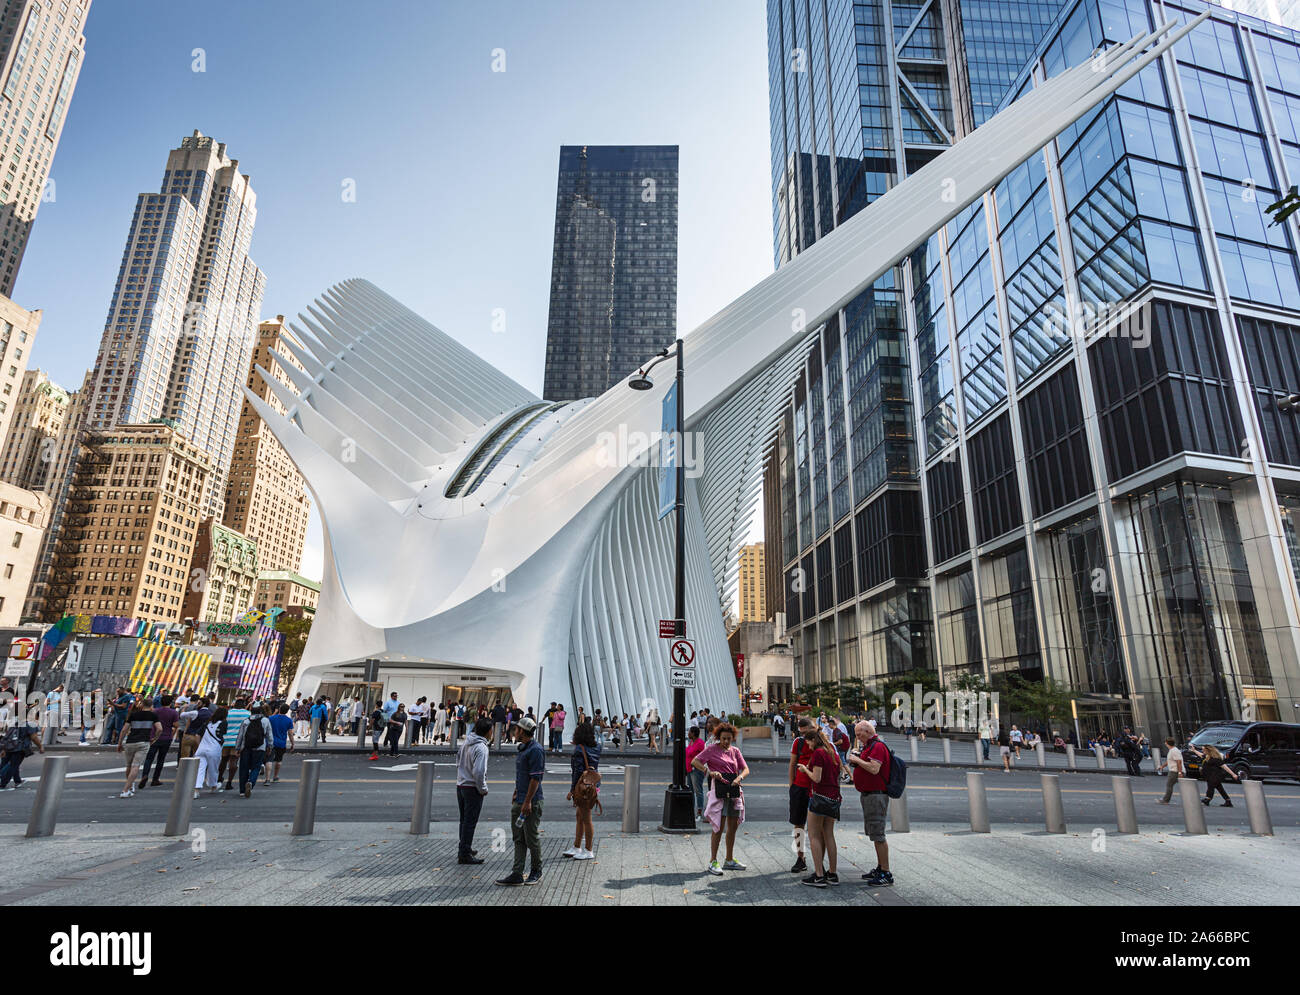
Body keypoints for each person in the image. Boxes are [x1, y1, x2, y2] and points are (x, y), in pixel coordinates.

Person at [692, 721, 749, 876]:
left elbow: (745, 769)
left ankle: (729, 860)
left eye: (728, 739)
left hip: (734, 790)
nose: (725, 742)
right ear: (718, 737)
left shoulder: (735, 751)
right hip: (719, 792)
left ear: (733, 738)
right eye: (723, 738)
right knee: (718, 826)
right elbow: (695, 761)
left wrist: (739, 778)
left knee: (733, 826)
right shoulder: (711, 749)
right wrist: (709, 771)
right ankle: (713, 860)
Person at [497, 716, 545, 887]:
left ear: (523, 732)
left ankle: (536, 871)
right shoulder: (523, 749)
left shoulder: (536, 750)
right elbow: (523, 776)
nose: (514, 731)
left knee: (531, 838)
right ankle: (517, 873)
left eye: (516, 729)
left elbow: (535, 779)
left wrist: (527, 802)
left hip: (530, 802)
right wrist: (517, 792)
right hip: (520, 799)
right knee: (518, 838)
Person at [848, 719, 893, 887]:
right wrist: (858, 758)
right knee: (874, 833)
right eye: (856, 734)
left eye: (860, 734)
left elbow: (874, 768)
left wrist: (857, 760)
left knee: (878, 834)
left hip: (876, 795)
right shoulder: (869, 746)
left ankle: (886, 872)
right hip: (869, 795)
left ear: (868, 731)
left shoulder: (878, 746)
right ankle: (880, 868)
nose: (858, 737)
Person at [797, 724, 841, 887]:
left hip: (820, 798)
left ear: (813, 740)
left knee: (814, 835)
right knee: (829, 835)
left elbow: (816, 778)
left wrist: (803, 769)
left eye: (808, 743)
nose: (808, 746)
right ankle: (833, 873)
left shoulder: (818, 753)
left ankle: (819, 875)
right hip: (834, 798)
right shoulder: (832, 753)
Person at [456, 717, 491, 864]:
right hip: (472, 788)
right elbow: (479, 772)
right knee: (470, 821)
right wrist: (483, 789)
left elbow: (458, 761)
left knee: (464, 820)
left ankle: (464, 847)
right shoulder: (481, 748)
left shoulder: (466, 742)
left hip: (461, 785)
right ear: (489, 732)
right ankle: (464, 853)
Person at [565, 720, 602, 860]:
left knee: (586, 818)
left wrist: (572, 790)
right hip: (593, 785)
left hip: (582, 787)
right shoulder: (597, 747)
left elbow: (577, 772)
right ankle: (577, 846)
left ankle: (588, 850)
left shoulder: (579, 750)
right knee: (580, 816)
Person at [787, 716, 816, 874]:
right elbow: (792, 764)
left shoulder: (823, 742)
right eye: (802, 733)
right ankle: (801, 857)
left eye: (808, 732)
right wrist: (792, 786)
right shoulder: (798, 742)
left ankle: (819, 862)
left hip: (816, 789)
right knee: (798, 824)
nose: (805, 736)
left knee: (816, 827)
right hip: (799, 787)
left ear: (815, 728)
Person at [118, 702, 161, 799]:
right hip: (143, 742)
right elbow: (159, 729)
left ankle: (130, 786)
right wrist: (154, 738)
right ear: (151, 706)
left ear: (142, 705)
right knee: (136, 766)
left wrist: (120, 743)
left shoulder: (133, 715)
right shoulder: (153, 716)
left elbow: (124, 730)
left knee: (129, 766)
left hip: (130, 742)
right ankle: (125, 790)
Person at [139, 693, 179, 788]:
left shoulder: (155, 711)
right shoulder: (174, 712)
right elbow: (176, 725)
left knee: (149, 758)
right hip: (166, 737)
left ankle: (145, 775)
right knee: (161, 759)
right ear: (171, 702)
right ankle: (155, 779)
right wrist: (172, 733)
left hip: (154, 737)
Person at [236, 705, 273, 796]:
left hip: (246, 748)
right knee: (256, 767)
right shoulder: (265, 721)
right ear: (261, 712)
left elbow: (240, 736)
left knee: (243, 768)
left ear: (251, 712)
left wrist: (237, 748)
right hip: (260, 747)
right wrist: (270, 746)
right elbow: (269, 735)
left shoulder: (246, 721)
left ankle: (242, 791)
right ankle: (251, 782)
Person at [192, 706, 227, 798]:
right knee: (213, 769)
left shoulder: (207, 723)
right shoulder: (223, 723)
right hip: (214, 749)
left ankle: (196, 790)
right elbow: (223, 734)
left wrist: (200, 745)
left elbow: (197, 735)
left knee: (200, 769)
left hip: (201, 749)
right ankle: (213, 786)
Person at [0, 715, 43, 788]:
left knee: (7, 764)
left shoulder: (15, 722)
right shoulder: (30, 724)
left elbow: (7, 736)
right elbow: (34, 737)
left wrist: (3, 749)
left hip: (8, 747)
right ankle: (3, 783)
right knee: (13, 766)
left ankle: (17, 780)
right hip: (20, 748)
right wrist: (40, 747)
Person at [219, 698, 251, 791]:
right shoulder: (247, 714)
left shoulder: (228, 712)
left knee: (223, 760)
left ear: (234, 704)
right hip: (238, 741)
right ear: (244, 705)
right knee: (233, 761)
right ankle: (229, 782)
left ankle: (219, 778)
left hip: (225, 740)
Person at [267, 703, 295, 782]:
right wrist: (292, 744)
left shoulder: (271, 718)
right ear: (287, 711)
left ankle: (267, 779)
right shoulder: (289, 720)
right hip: (281, 743)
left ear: (279, 709)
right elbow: (290, 734)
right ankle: (275, 777)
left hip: (270, 742)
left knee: (269, 760)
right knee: (278, 760)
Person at [685, 725, 707, 818]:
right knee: (690, 791)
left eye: (689, 732)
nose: (688, 733)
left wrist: (701, 767)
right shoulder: (691, 742)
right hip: (689, 770)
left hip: (697, 770)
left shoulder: (700, 743)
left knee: (698, 791)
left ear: (693, 733)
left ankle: (699, 812)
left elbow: (705, 756)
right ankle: (691, 810)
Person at [1157, 736, 1183, 804]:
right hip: (1175, 770)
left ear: (1167, 743)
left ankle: (1166, 800)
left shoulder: (1174, 751)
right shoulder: (1172, 750)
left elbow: (1179, 762)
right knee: (1182, 786)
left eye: (1165, 742)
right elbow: (1170, 761)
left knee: (1169, 785)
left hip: (1174, 771)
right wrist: (1162, 766)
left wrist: (1180, 772)